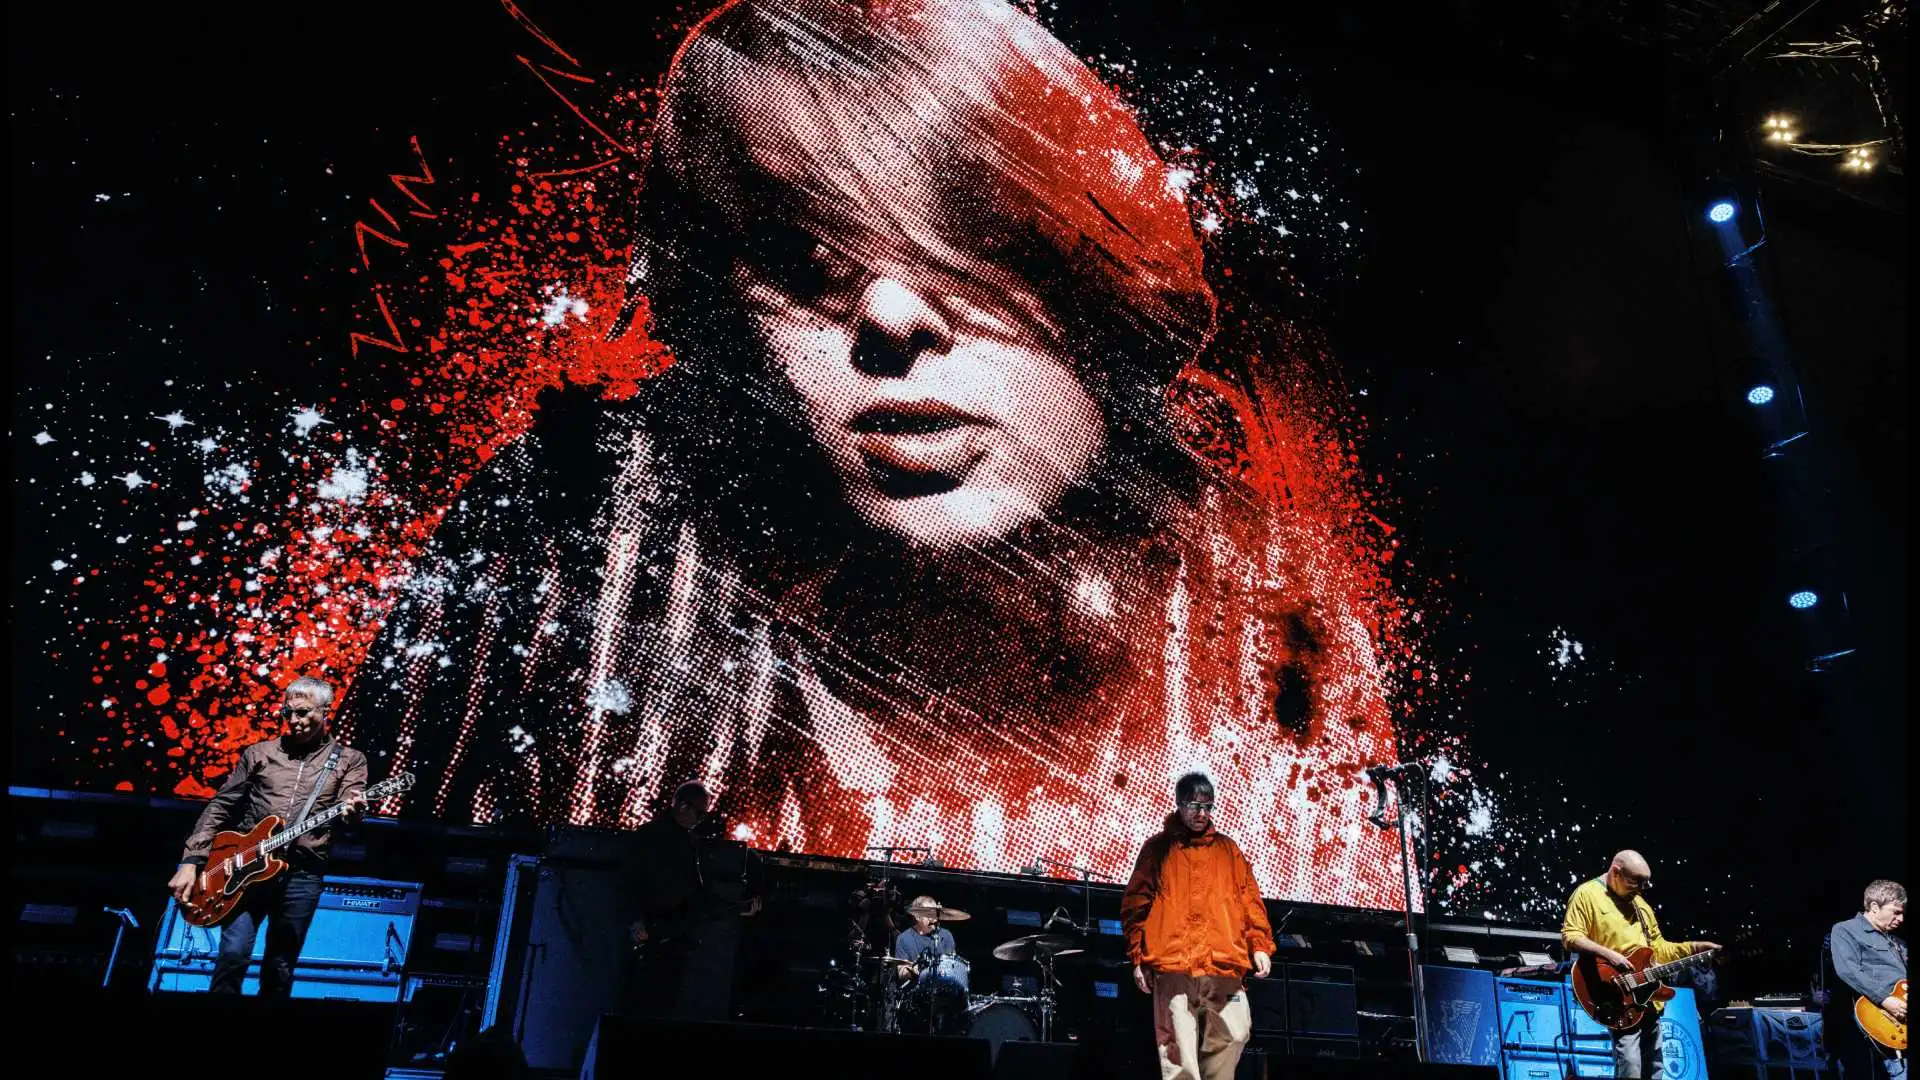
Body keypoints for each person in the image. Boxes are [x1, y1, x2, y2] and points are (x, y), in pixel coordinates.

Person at [338, 0, 1405, 908]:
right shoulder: (573, 540)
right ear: (721, 306)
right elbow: (365, 917)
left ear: (1108, 284)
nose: (890, 318)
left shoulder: (1260, 606)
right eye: (802, 254)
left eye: (975, 238)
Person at [167, 675, 369, 996]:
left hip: (302, 874)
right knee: (232, 956)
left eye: (303, 713)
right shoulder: (260, 753)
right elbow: (221, 806)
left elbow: (351, 804)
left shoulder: (348, 760)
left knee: (280, 967)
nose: (294, 720)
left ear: (326, 711)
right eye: (287, 713)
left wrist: (353, 811)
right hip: (245, 869)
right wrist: (191, 860)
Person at [1121, 773, 1274, 1080]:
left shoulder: (1228, 850)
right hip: (1174, 964)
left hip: (1222, 963)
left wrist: (1259, 945)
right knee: (1180, 1057)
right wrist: (1138, 957)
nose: (1201, 813)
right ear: (1179, 805)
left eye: (1207, 806)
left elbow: (1249, 901)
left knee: (1237, 1031)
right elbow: (1136, 906)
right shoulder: (1157, 849)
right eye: (1194, 805)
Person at [1560, 850, 1722, 1079]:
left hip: (1647, 999)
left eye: (1645, 884)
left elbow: (1659, 950)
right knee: (1631, 1067)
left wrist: (1695, 947)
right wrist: (1610, 954)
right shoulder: (1587, 895)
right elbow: (1571, 936)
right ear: (1615, 872)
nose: (1641, 889)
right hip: (1615, 996)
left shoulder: (1641, 906)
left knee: (1654, 1068)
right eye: (1635, 882)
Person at [1828, 879, 1907, 1078]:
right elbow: (1848, 970)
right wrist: (1885, 999)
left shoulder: (1898, 942)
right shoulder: (1845, 930)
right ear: (1874, 906)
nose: (1901, 918)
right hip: (1885, 1018)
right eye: (1896, 912)